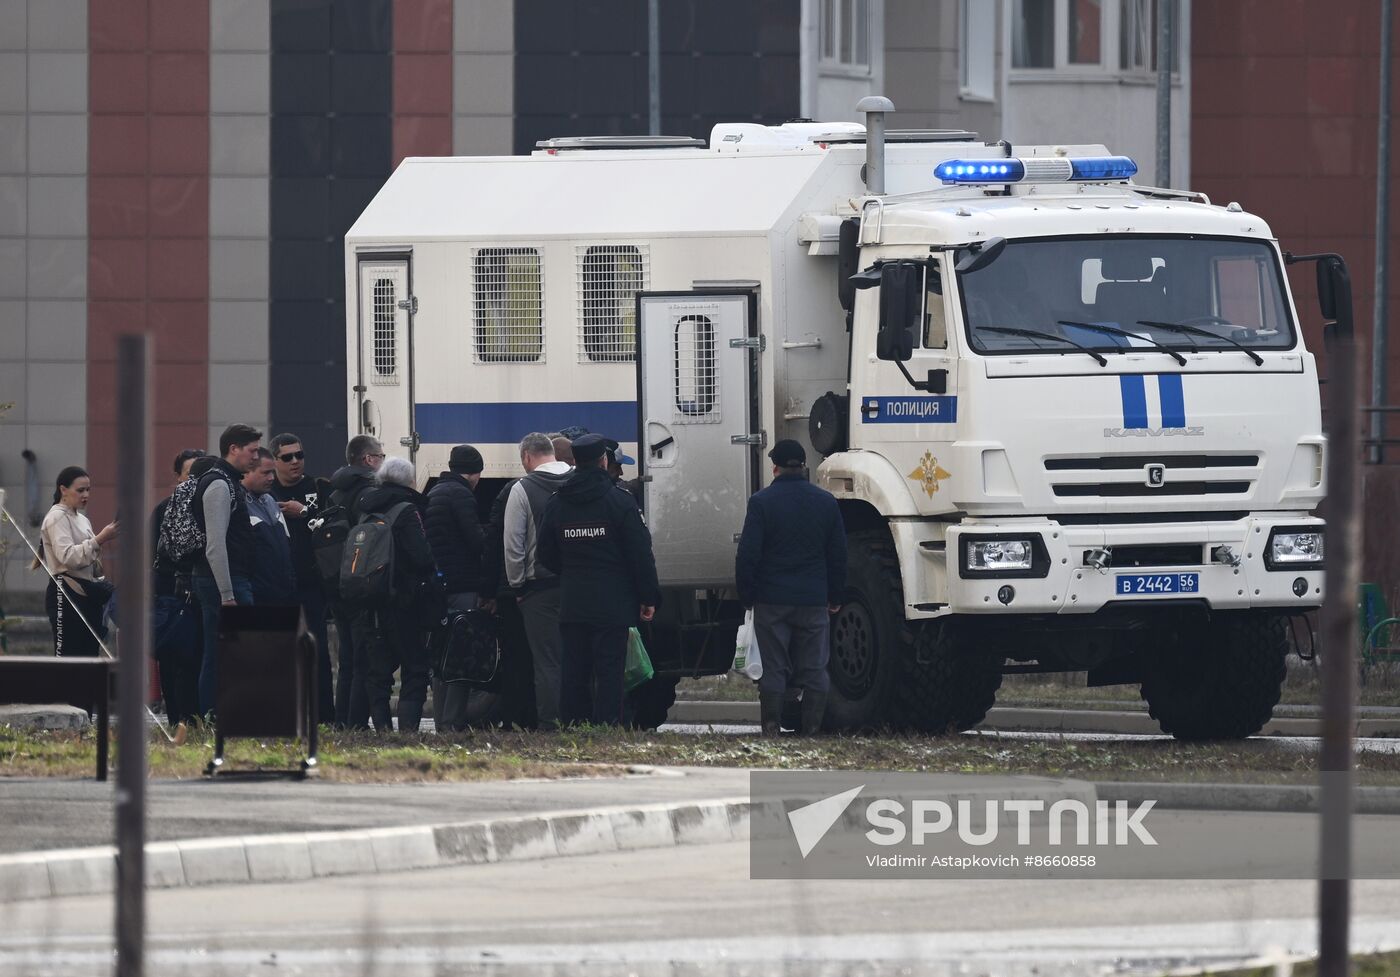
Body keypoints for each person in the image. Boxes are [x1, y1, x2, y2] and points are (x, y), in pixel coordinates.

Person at [538, 434, 660, 726]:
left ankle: (574, 724)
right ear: (604, 461)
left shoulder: (558, 503)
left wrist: (570, 572)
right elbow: (640, 554)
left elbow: (545, 554)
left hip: (573, 602)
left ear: (575, 462)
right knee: (610, 670)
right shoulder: (620, 502)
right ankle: (608, 725)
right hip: (613, 604)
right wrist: (648, 597)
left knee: (574, 669)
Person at [735, 439, 847, 736]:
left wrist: (747, 595)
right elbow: (838, 555)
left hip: (771, 600)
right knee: (814, 668)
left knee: (774, 668)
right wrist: (835, 595)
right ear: (803, 467)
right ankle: (811, 731)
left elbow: (748, 554)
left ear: (775, 468)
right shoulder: (826, 503)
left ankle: (771, 729)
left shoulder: (761, 502)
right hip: (813, 600)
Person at [355, 456, 437, 733]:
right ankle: (408, 731)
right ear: (410, 481)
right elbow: (422, 557)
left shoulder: (366, 510)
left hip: (372, 600)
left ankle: (381, 729)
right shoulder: (408, 510)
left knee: (378, 673)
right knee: (414, 668)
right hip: (406, 601)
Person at [502, 432, 572, 728]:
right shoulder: (578, 481)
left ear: (527, 457)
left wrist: (518, 585)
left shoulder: (522, 489)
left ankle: (551, 722)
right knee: (580, 657)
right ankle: (583, 719)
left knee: (547, 662)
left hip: (539, 590)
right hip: (579, 586)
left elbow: (513, 544)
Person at [192, 424, 262, 716]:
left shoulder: (228, 481)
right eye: (252, 450)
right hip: (225, 580)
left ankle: (220, 712)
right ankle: (215, 713)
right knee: (225, 653)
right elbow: (215, 545)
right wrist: (227, 593)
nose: (256, 457)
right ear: (233, 449)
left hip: (228, 578)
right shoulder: (219, 485)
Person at [268, 432, 333, 722]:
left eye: (299, 455)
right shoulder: (267, 493)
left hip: (311, 584)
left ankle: (322, 717)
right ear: (275, 461)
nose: (295, 462)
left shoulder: (318, 488)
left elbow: (334, 527)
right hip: (278, 587)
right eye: (287, 457)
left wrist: (305, 512)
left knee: (316, 651)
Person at [425, 444, 486, 731]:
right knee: (461, 655)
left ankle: (440, 721)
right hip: (463, 583)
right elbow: (475, 540)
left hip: (441, 585)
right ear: (475, 473)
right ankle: (453, 722)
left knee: (441, 654)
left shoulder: (436, 492)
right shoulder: (462, 495)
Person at [326, 435, 384, 728]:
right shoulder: (369, 491)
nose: (382, 462)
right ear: (368, 459)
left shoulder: (335, 491)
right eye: (381, 456)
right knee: (363, 660)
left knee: (346, 661)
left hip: (336, 583)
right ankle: (357, 723)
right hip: (359, 584)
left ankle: (342, 721)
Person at [151, 448, 206, 734]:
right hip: (172, 598)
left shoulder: (208, 505)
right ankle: (177, 721)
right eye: (190, 473)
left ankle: (195, 720)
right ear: (177, 477)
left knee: (197, 661)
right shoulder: (164, 509)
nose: (196, 479)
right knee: (174, 662)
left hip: (199, 597)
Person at [37, 466, 118, 658]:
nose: (86, 495)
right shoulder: (56, 517)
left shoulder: (81, 519)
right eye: (80, 490)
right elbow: (68, 557)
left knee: (89, 655)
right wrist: (100, 538)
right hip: (66, 594)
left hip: (86, 593)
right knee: (69, 657)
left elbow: (89, 559)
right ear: (63, 489)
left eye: (88, 490)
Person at [242, 448, 298, 606]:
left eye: (272, 472)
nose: (272, 478)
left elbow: (286, 547)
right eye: (265, 473)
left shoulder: (271, 500)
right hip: (255, 597)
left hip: (284, 596)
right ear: (247, 472)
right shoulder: (237, 505)